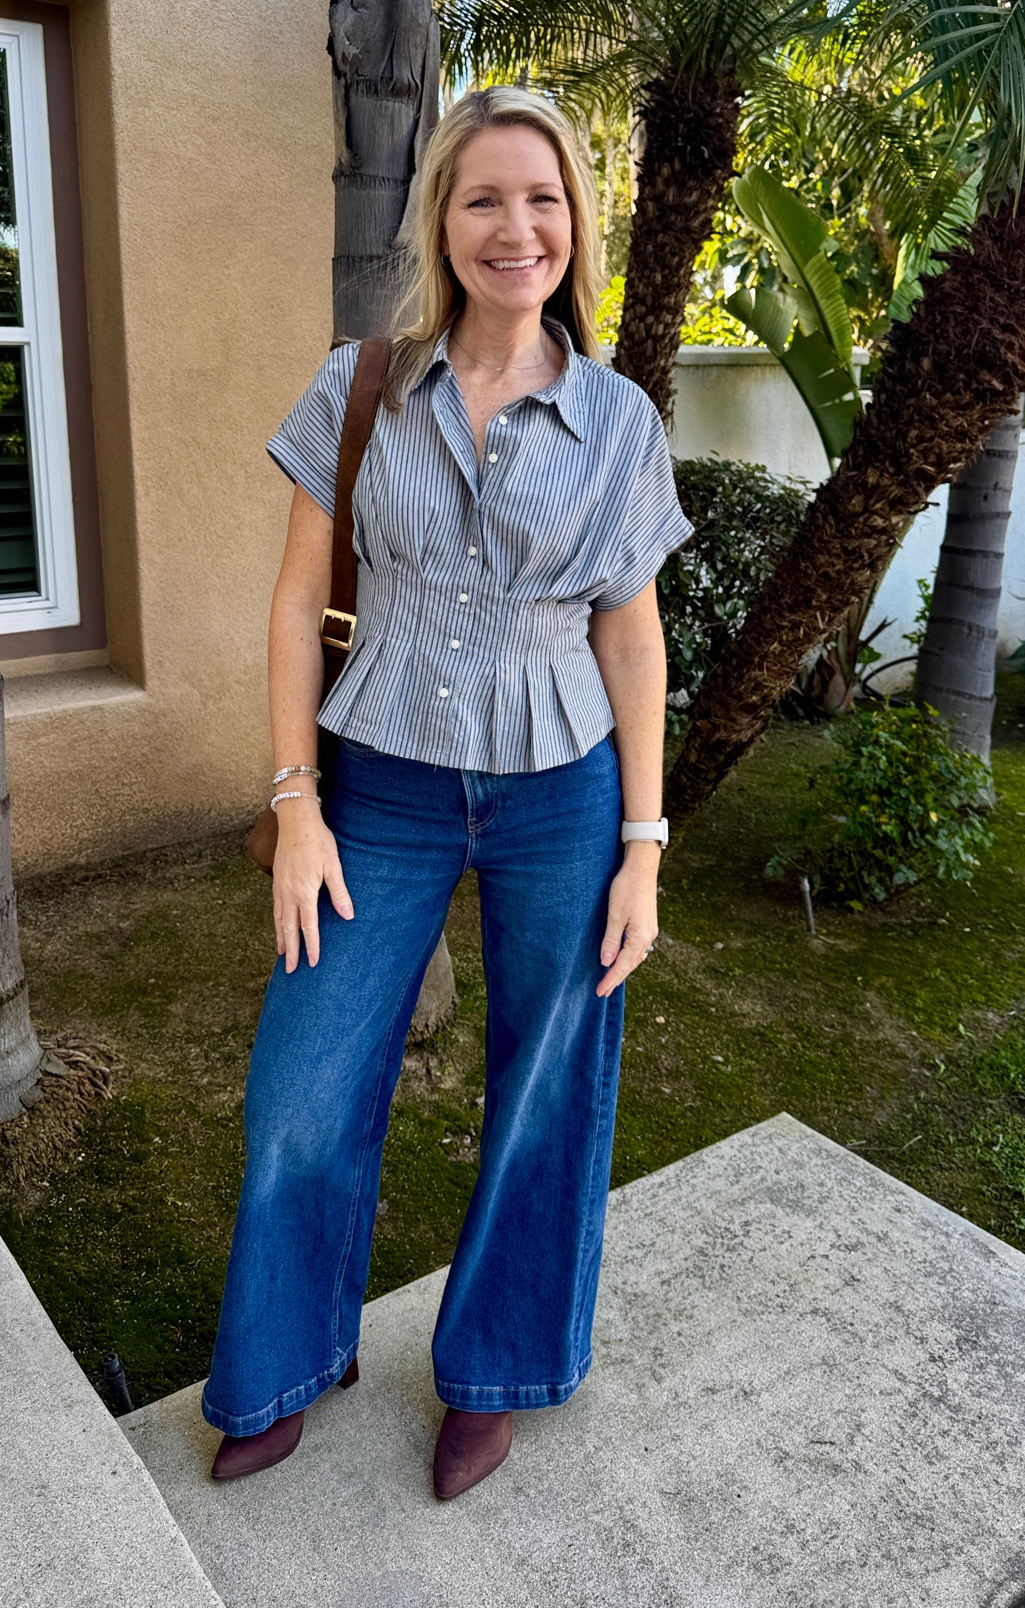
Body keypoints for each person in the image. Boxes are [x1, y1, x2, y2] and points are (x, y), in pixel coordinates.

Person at [202, 85, 692, 1499]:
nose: (514, 227)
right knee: (303, 1090)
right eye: (484, 198)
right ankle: (284, 1363)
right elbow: (296, 603)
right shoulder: (361, 387)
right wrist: (297, 802)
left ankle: (497, 1370)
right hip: (382, 789)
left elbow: (632, 637)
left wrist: (644, 847)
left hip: (563, 797)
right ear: (443, 220)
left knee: (546, 1089)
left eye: (543, 199)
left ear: (575, 224)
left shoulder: (619, 422)